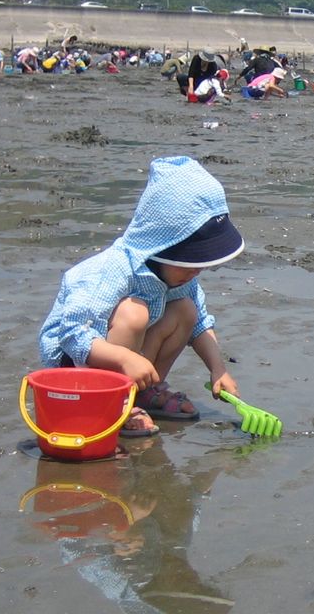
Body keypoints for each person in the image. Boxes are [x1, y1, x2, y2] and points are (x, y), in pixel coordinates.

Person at [38, 156, 246, 434]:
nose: (197, 270)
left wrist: (218, 369)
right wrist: (124, 359)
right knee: (134, 312)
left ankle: (143, 392)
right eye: (190, 261)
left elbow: (200, 326)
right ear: (163, 246)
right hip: (75, 365)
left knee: (185, 310)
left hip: (125, 357)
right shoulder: (111, 270)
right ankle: (111, 402)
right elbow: (73, 333)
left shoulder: (180, 276)